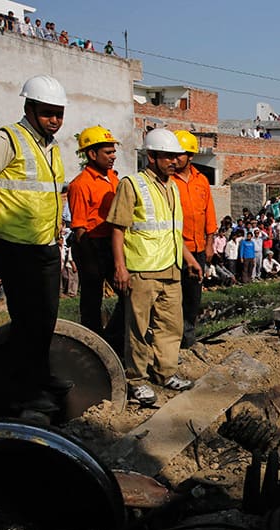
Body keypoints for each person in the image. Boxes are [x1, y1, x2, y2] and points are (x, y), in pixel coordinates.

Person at [0, 75, 69, 414]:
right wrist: (5, 216)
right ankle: (22, 392)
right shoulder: (6, 139)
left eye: (59, 114)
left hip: (45, 246)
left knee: (46, 318)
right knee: (26, 320)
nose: (54, 120)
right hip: (17, 246)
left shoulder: (50, 146)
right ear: (29, 108)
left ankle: (40, 377)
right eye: (47, 113)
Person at [107, 128, 201, 405]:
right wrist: (120, 268)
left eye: (176, 157)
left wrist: (189, 259)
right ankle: (136, 379)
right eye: (168, 157)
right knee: (137, 329)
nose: (174, 161)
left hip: (171, 269)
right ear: (151, 157)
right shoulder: (132, 184)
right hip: (143, 269)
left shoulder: (171, 186)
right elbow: (118, 229)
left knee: (170, 327)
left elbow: (172, 230)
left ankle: (164, 373)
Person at [68, 125, 123, 351]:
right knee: (92, 299)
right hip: (90, 244)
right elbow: (80, 227)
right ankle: (92, 345)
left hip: (112, 243)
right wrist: (90, 260)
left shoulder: (113, 178)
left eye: (113, 152)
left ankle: (110, 336)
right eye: (108, 152)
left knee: (128, 294)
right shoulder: (80, 184)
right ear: (92, 154)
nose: (113, 156)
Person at [171, 130, 216, 349]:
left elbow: (209, 214)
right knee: (172, 298)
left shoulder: (202, 181)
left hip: (198, 249)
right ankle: (172, 340)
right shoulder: (169, 181)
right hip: (175, 249)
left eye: (180, 154)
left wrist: (209, 244)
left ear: (190, 156)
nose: (175, 159)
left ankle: (188, 339)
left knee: (192, 297)